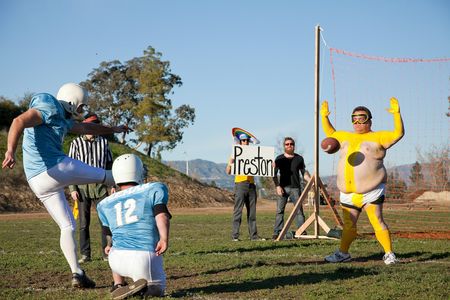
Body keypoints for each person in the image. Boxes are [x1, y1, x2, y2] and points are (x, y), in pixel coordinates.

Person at [2, 82, 130, 288]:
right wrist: (10, 150)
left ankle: (77, 274)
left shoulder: (61, 118)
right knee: (110, 176)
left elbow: (88, 126)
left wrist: (112, 129)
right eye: (80, 107)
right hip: (55, 167)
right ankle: (140, 214)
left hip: (37, 181)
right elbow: (19, 120)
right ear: (72, 102)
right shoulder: (50, 106)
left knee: (68, 225)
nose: (81, 111)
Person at [320, 97, 404, 265]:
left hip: (371, 191)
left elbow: (398, 133)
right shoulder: (343, 136)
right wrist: (324, 117)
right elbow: (330, 134)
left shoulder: (379, 137)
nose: (357, 122)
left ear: (370, 120)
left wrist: (396, 114)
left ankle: (389, 254)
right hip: (347, 193)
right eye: (354, 118)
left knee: (377, 221)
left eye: (362, 118)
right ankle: (343, 253)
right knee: (349, 226)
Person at [97, 154, 171, 299]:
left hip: (115, 260)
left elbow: (108, 232)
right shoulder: (153, 188)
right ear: (138, 171)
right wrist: (164, 238)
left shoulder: (105, 203)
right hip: (143, 258)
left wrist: (108, 245)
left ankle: (118, 284)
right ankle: (143, 291)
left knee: (115, 247)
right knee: (157, 292)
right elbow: (161, 216)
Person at [68, 113, 113, 263]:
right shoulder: (75, 143)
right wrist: (72, 188)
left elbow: (109, 165)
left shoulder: (104, 143)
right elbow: (70, 167)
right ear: (85, 125)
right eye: (91, 124)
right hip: (81, 188)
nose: (94, 128)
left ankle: (106, 252)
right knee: (83, 223)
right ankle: (85, 254)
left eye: (96, 125)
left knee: (105, 222)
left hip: (100, 187)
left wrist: (112, 185)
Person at [225, 133, 264, 241]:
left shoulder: (253, 154)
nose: (245, 142)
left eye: (247, 141)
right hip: (240, 184)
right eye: (243, 141)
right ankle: (235, 236)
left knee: (252, 212)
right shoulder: (235, 154)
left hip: (251, 185)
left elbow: (262, 165)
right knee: (238, 211)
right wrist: (230, 163)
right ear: (240, 142)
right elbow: (228, 171)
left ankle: (254, 236)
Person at [272, 137, 311, 240]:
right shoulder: (279, 159)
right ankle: (277, 232)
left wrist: (310, 180)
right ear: (284, 146)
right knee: (279, 211)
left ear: (294, 145)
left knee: (299, 211)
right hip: (282, 188)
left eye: (291, 144)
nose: (289, 145)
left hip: (296, 188)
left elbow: (304, 173)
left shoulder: (299, 158)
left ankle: (301, 231)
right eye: (287, 144)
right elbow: (274, 174)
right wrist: (277, 186)